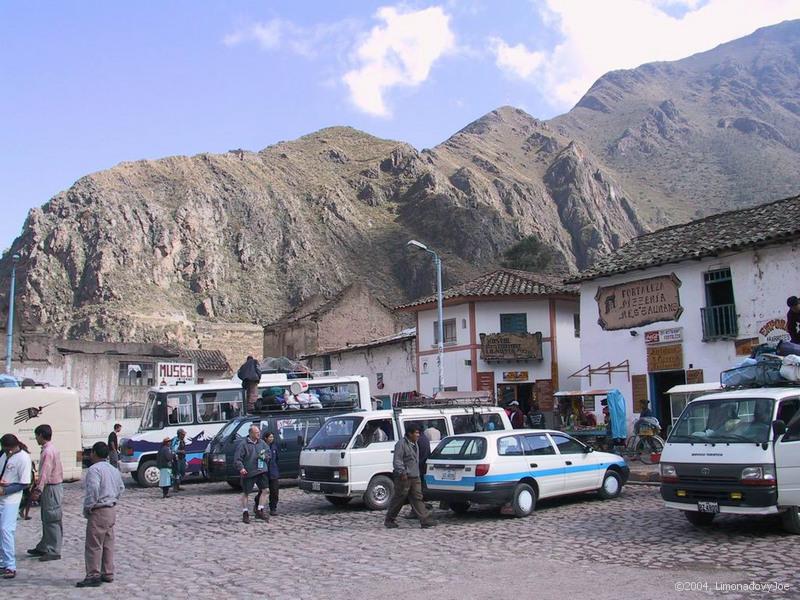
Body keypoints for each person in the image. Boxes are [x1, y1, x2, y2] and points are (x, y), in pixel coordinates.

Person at [77, 441, 124, 588]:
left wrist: (89, 507)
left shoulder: (94, 470)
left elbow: (93, 490)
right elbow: (121, 488)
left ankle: (93, 574)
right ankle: (108, 572)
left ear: (95, 453)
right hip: (111, 509)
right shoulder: (113, 469)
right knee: (108, 543)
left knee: (94, 544)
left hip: (99, 509)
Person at [384, 424, 436, 529]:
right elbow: (397, 460)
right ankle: (389, 519)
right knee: (399, 498)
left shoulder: (415, 444)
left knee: (417, 498)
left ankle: (424, 520)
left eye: (418, 433)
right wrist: (402, 472)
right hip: (404, 477)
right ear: (409, 434)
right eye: (416, 433)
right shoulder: (401, 444)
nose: (418, 435)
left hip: (415, 476)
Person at [28, 424, 63, 561]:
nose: (36, 438)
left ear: (41, 435)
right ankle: (44, 545)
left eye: (36, 435)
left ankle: (53, 549)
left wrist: (38, 489)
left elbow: (45, 473)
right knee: (46, 518)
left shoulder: (48, 452)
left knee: (52, 518)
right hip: (52, 487)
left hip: (51, 487)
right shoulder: (51, 448)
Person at [0, 434, 33, 579]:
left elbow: (24, 483)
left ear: (13, 447)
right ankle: (2, 562)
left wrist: (6, 490)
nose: (6, 452)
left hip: (11, 499)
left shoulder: (23, 458)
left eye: (8, 450)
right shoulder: (4, 454)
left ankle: (10, 565)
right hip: (1, 496)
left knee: (6, 530)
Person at [233, 425, 270, 523]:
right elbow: (237, 459)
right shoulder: (243, 444)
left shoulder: (262, 443)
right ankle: (245, 513)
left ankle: (260, 510)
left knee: (265, 490)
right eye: (256, 432)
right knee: (246, 493)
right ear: (251, 433)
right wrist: (241, 468)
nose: (259, 434)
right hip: (249, 472)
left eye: (259, 432)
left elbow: (268, 454)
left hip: (261, 470)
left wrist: (265, 457)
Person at [263, 432, 280, 516]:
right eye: (270, 437)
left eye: (272, 437)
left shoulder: (274, 446)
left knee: (274, 491)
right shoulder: (262, 446)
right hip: (264, 472)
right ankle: (258, 504)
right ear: (266, 438)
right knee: (263, 491)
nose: (271, 438)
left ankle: (273, 508)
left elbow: (277, 458)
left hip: (273, 472)